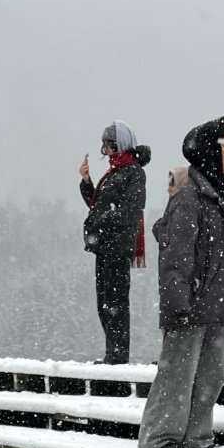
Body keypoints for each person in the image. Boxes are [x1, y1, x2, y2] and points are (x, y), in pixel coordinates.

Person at [138, 118, 224, 448]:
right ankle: (160, 441)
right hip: (190, 305)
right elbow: (176, 259)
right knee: (177, 379)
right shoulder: (189, 198)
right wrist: (177, 306)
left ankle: (198, 439)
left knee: (211, 379)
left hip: (215, 306)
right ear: (210, 149)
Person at [79, 122, 151, 364]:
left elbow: (130, 210)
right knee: (104, 301)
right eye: (104, 145)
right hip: (105, 246)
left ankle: (118, 355)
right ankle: (112, 353)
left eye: (109, 144)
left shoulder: (132, 171)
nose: (105, 150)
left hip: (118, 246)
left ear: (121, 144)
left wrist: (102, 220)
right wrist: (87, 181)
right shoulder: (115, 172)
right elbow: (98, 203)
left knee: (116, 301)